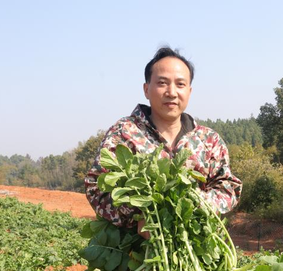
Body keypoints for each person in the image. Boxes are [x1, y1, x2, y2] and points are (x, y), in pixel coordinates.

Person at [84, 47, 242, 232]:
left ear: (189, 92)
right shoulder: (123, 133)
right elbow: (96, 185)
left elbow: (228, 187)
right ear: (146, 89)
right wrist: (138, 218)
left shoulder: (209, 140)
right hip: (135, 254)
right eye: (162, 83)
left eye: (180, 84)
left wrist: (196, 207)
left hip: (195, 249)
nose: (172, 92)